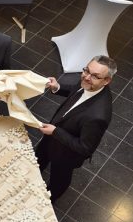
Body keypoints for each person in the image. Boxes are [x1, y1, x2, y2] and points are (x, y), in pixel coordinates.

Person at [35, 55, 115, 203]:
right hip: (50, 138)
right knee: (38, 160)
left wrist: (55, 132)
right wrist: (57, 87)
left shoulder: (98, 116)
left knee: (59, 180)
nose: (87, 77)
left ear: (106, 81)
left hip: (65, 154)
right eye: (86, 70)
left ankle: (48, 200)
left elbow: (85, 148)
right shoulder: (88, 82)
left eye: (95, 76)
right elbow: (75, 90)